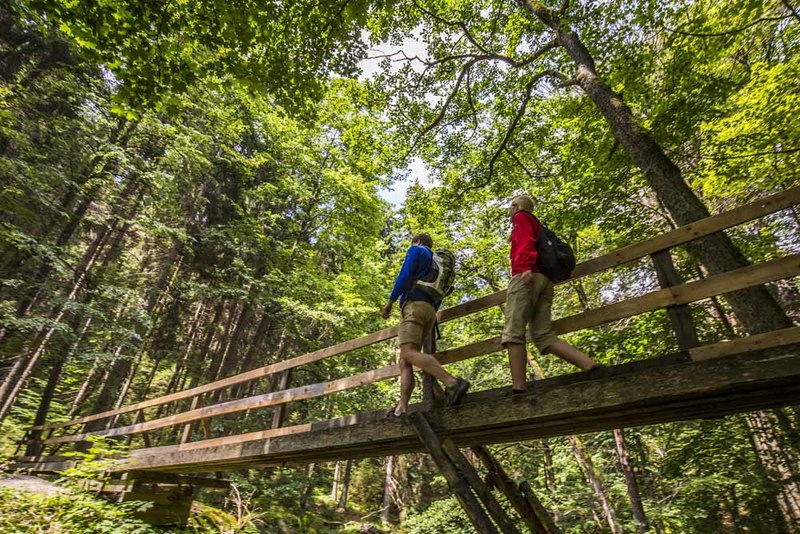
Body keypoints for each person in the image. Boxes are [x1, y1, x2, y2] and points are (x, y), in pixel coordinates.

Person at [502, 195, 609, 394]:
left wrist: (525, 267)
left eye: (510, 207)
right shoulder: (537, 224)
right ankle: (591, 366)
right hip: (545, 281)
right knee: (542, 334)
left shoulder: (522, 217)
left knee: (513, 331)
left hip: (526, 276)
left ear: (516, 206)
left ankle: (518, 389)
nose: (509, 211)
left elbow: (525, 241)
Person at [381, 233, 470, 416]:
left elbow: (405, 274)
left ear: (418, 241)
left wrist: (390, 302)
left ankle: (452, 383)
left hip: (414, 307)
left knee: (408, 353)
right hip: (430, 312)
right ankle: (401, 408)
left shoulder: (418, 250)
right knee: (405, 359)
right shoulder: (439, 266)